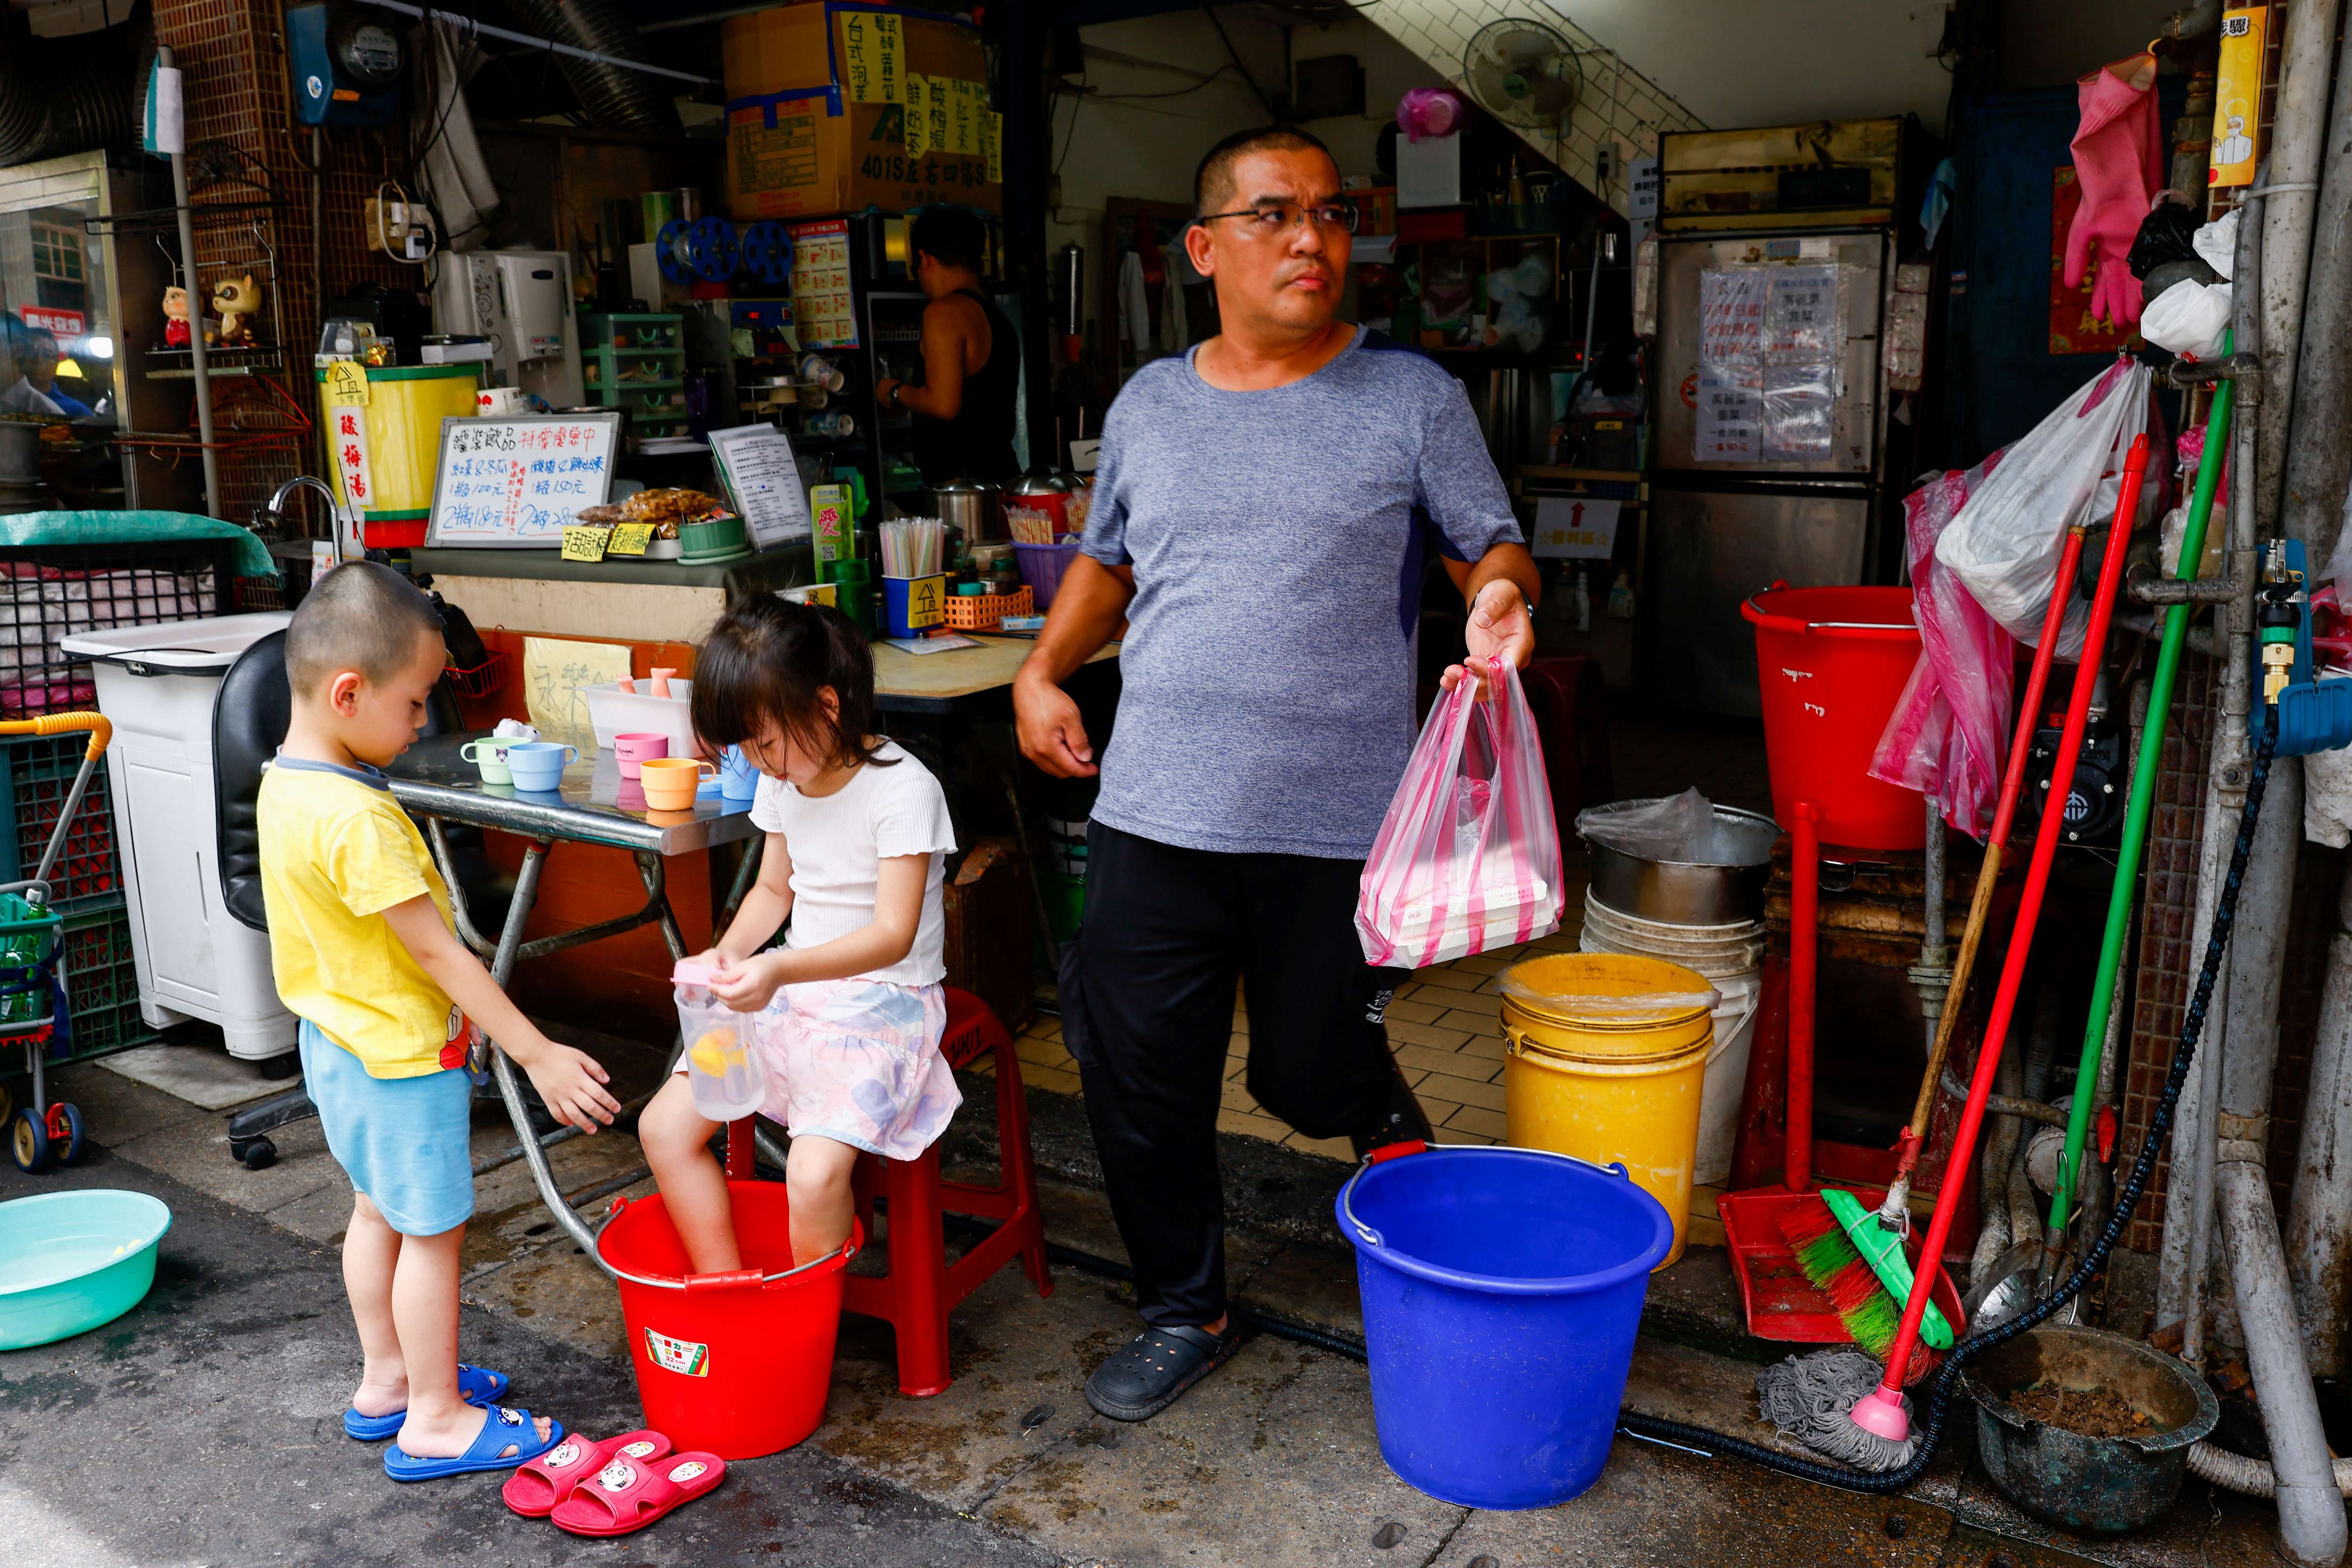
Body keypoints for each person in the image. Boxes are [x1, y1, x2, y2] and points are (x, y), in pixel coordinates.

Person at [1012, 125, 1541, 1423]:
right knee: (1140, 1073)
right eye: (1272, 214)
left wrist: (1504, 600)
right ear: (1206, 249)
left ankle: (1414, 1175)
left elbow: (1491, 544)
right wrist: (1042, 671)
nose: (1310, 239)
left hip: (1334, 821)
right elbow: (1108, 560)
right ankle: (1184, 1304)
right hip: (1155, 806)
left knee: (1308, 1075)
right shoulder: (1148, 402)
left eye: (1329, 212)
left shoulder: (1410, 396)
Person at [258, 561, 620, 1478]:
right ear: (349, 691)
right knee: (434, 1230)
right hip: (398, 1058)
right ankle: (435, 1414)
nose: (421, 722)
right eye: (416, 702)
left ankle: (387, 1379)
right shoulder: (357, 817)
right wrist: (535, 1051)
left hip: (335, 1045)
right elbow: (440, 953)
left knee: (377, 1209)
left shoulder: (284, 784)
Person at [638, 597, 961, 1274]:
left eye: (765, 740)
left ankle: (811, 1320)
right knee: (663, 1128)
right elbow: (772, 891)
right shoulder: (784, 781)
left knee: (812, 1177)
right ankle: (730, 1289)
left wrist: (780, 970)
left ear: (827, 704)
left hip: (886, 1001)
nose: (759, 762)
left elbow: (893, 935)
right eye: (745, 747)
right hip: (798, 993)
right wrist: (728, 954)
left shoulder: (906, 790)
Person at [873, 206, 1020, 485]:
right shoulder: (998, 316)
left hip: (963, 491)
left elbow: (944, 405)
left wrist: (894, 392)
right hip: (1002, 478)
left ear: (924, 259)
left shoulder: (944, 312)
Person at [0, 326, 93, 418]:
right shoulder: (8, 399)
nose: (38, 359)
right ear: (19, 355)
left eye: (47, 355)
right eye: (31, 352)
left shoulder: (76, 410)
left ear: (56, 365)